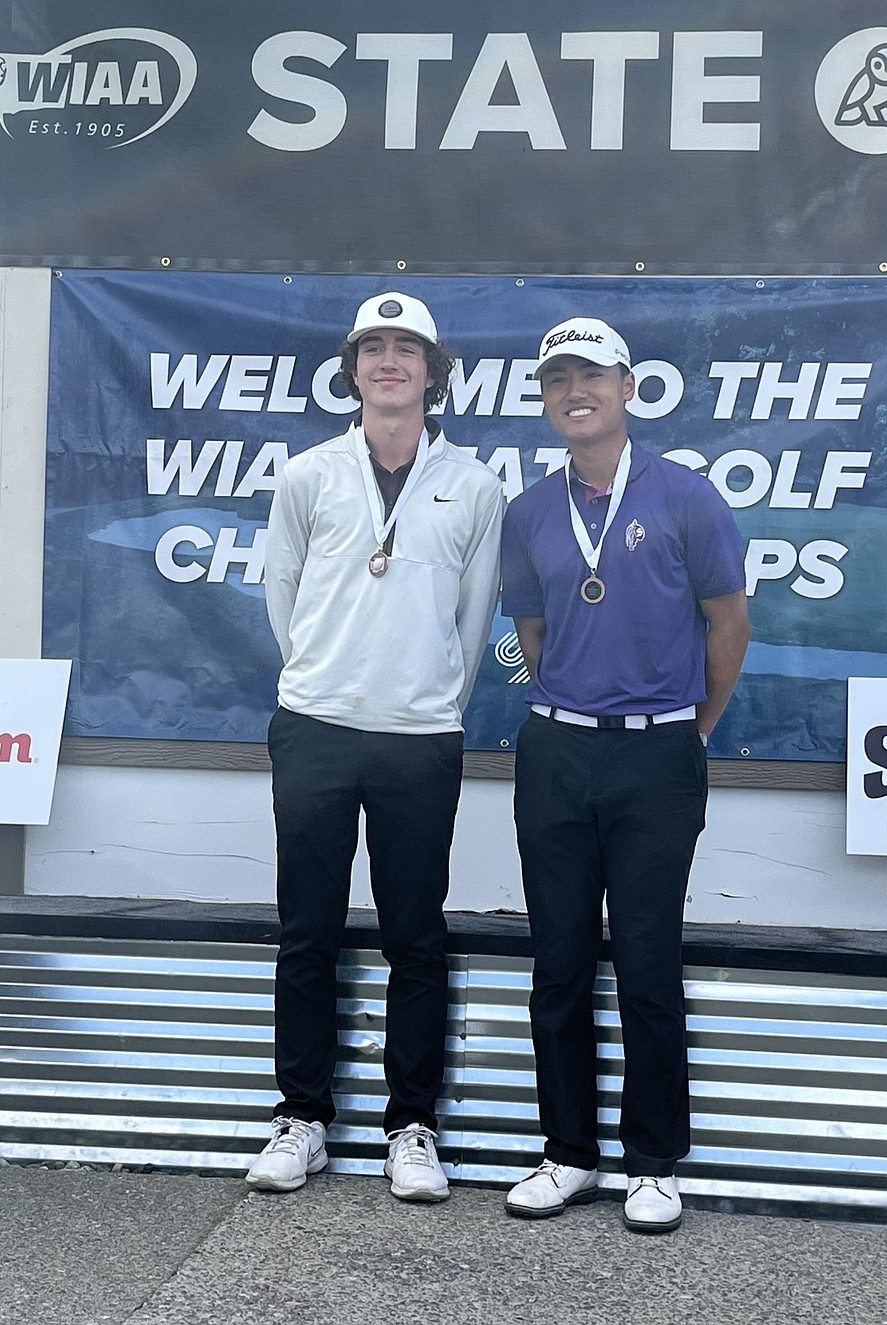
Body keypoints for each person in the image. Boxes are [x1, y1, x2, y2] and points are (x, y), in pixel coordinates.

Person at [246, 292, 503, 1199]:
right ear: (353, 367)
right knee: (307, 929)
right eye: (373, 348)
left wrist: (427, 698)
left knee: (416, 935)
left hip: (419, 738)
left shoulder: (473, 484)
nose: (389, 362)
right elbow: (281, 593)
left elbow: (474, 623)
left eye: (408, 350)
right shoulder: (308, 472)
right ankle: (301, 1117)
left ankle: (412, 1126)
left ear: (436, 372)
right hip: (315, 726)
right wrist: (323, 679)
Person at [500, 316, 750, 1233]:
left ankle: (651, 1161)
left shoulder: (688, 497)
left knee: (647, 960)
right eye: (558, 375)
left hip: (658, 754)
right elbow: (529, 637)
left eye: (592, 375)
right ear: (544, 396)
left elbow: (729, 626)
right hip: (556, 750)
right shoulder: (528, 512)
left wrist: (688, 730)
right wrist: (573, 697)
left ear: (628, 388)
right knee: (558, 960)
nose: (576, 390)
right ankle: (566, 1152)